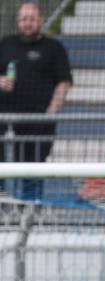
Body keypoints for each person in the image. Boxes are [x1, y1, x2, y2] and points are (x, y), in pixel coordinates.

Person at [0, 3, 72, 198]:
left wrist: (52, 111)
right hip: (4, 118)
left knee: (32, 167)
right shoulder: (5, 44)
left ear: (40, 20)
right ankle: (3, 207)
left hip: (38, 121)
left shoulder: (54, 48)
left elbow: (64, 82)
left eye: (32, 19)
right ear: (18, 22)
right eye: (24, 19)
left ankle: (30, 209)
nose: (28, 23)